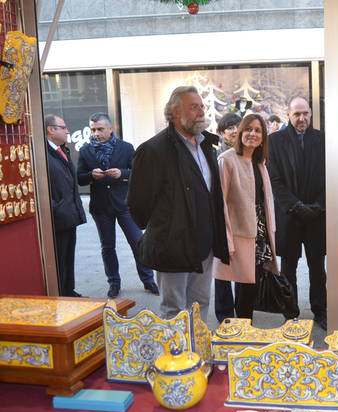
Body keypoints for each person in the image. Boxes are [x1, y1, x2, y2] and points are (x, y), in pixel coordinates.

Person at [127, 86, 229, 322]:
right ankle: (175, 358)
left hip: (204, 246)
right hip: (172, 248)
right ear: (175, 112)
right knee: (174, 311)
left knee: (200, 304)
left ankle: (197, 355)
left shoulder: (206, 146)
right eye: (194, 107)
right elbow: (138, 204)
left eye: (202, 107)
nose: (201, 112)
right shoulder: (153, 151)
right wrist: (167, 226)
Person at [77, 113, 158, 298]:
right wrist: (91, 175)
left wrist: (122, 173)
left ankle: (148, 280)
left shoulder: (126, 148)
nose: (96, 133)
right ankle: (114, 283)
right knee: (108, 247)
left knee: (138, 242)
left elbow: (138, 172)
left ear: (110, 129)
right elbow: (79, 178)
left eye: (100, 129)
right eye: (93, 130)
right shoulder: (85, 151)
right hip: (101, 207)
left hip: (124, 204)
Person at [268, 96, 327, 330]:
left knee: (317, 268)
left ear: (310, 113)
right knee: (288, 267)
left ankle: (320, 310)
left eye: (305, 113)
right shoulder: (275, 141)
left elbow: (329, 175)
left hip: (316, 216)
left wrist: (317, 206)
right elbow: (274, 179)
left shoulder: (322, 139)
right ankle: (290, 313)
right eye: (296, 114)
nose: (302, 118)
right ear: (288, 114)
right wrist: (294, 206)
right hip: (289, 216)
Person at [212, 114, 279, 320]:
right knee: (241, 285)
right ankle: (238, 333)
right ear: (241, 132)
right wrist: (226, 240)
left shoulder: (259, 162)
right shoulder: (227, 159)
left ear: (263, 136)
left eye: (258, 131)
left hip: (259, 234)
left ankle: (244, 329)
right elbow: (219, 203)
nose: (253, 134)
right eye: (248, 129)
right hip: (239, 233)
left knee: (251, 287)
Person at [45, 114, 87, 297]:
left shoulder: (63, 150)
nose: (67, 131)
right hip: (58, 216)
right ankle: (62, 294)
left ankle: (69, 290)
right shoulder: (43, 154)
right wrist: (57, 206)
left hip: (69, 213)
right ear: (51, 130)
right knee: (60, 259)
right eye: (63, 127)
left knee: (69, 257)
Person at [211, 111, 241, 322]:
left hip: (242, 219)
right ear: (221, 133)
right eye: (229, 128)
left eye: (237, 126)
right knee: (222, 268)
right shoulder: (216, 156)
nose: (234, 131)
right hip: (220, 218)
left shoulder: (249, 152)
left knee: (243, 266)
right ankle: (224, 315)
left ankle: (242, 309)